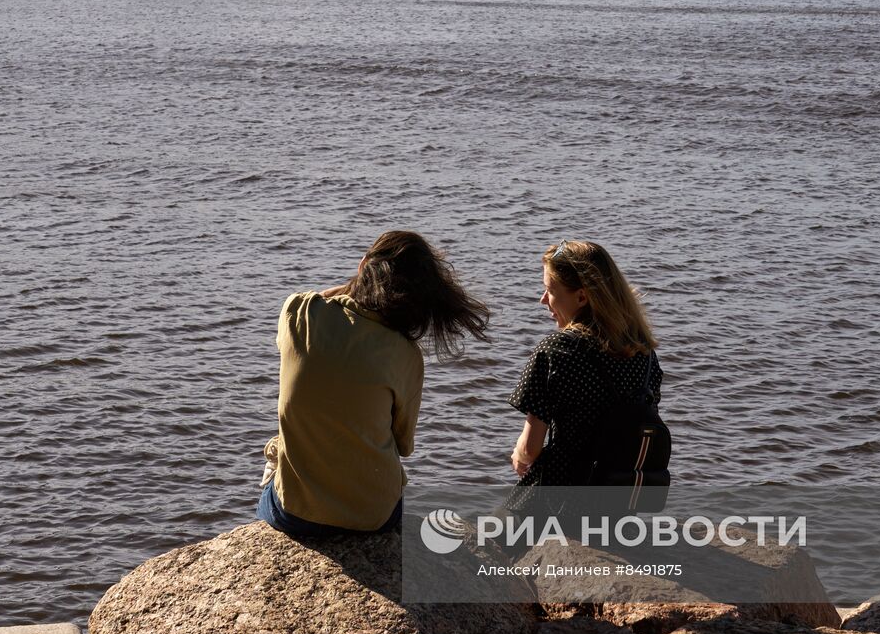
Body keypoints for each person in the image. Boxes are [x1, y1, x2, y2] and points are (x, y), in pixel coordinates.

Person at [258, 230, 489, 537]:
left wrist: (355, 284)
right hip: (373, 517)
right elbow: (404, 444)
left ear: (364, 266)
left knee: (276, 465)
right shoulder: (406, 355)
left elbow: (321, 298)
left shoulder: (300, 312)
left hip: (296, 514)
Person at [505, 240, 668, 517]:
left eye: (549, 290)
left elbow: (530, 450)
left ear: (582, 297)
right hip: (616, 502)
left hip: (558, 497)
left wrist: (519, 456)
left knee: (486, 540)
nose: (543, 300)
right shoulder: (644, 352)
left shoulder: (557, 349)